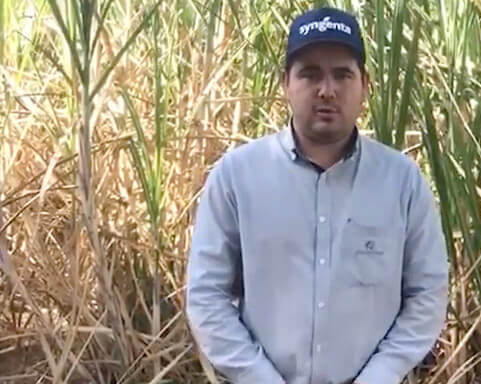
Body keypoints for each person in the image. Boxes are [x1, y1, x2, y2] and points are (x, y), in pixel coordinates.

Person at [185, 6, 449, 384]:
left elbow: (427, 294)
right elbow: (206, 295)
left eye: (342, 74)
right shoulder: (237, 176)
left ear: (365, 85)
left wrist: (380, 375)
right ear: (285, 83)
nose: (327, 89)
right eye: (310, 74)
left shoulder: (402, 182)